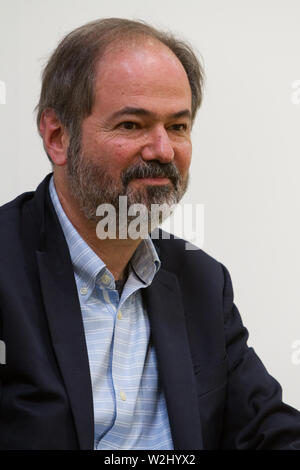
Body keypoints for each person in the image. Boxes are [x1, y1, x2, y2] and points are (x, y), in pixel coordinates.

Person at [0, 17, 299, 451]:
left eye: (177, 126)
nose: (162, 150)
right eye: (132, 125)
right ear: (57, 135)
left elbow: (266, 432)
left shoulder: (203, 281)